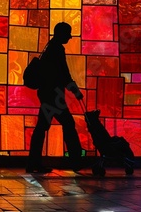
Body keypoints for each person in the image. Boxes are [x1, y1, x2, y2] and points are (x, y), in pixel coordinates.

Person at [26, 22, 84, 173]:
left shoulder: (50, 47)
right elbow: (63, 74)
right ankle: (75, 161)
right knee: (68, 123)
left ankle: (33, 162)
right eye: (68, 34)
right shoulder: (57, 49)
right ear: (61, 34)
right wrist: (75, 91)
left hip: (48, 94)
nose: (70, 37)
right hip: (53, 96)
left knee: (42, 127)